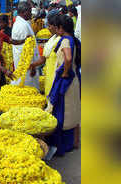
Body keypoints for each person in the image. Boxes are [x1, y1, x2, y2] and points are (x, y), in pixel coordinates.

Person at [46, 15, 81, 157]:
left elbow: (67, 58)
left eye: (57, 27)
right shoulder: (74, 39)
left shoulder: (65, 40)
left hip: (66, 82)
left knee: (61, 112)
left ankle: (62, 145)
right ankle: (74, 142)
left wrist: (65, 72)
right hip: (73, 82)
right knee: (72, 112)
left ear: (61, 28)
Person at [29, 12, 61, 96]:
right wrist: (32, 65)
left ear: (57, 26)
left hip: (57, 76)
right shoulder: (52, 39)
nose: (48, 28)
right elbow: (43, 58)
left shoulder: (62, 40)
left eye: (50, 26)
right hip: (49, 75)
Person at [11, 1, 40, 89]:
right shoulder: (22, 25)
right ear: (24, 12)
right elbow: (25, 50)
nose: (31, 14)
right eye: (30, 11)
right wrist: (32, 66)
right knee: (28, 90)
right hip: (27, 67)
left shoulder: (23, 23)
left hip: (26, 65)